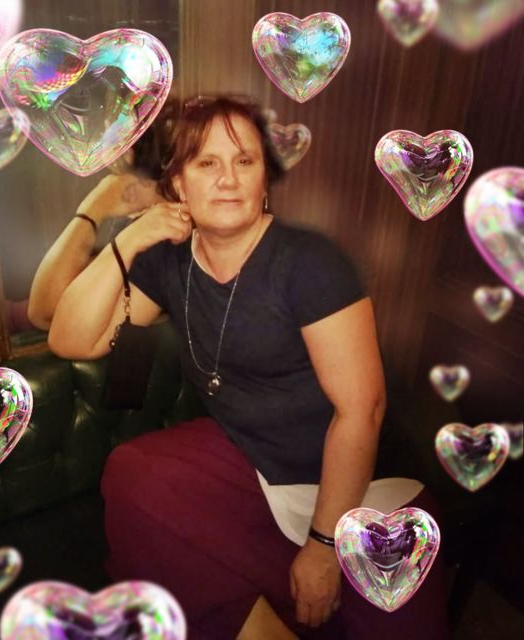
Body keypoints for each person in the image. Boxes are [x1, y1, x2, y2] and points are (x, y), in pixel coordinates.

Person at [47, 97, 450, 639]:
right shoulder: (168, 260)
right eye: (206, 163)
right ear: (178, 184)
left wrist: (324, 546)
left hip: (358, 485)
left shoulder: (311, 262)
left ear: (264, 179)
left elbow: (362, 410)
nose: (228, 179)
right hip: (255, 464)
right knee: (135, 475)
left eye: (244, 161)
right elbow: (69, 338)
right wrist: (131, 235)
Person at [27, 100, 177, 330]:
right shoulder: (147, 222)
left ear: (128, 151)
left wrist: (93, 209)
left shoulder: (159, 234)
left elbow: (46, 313)